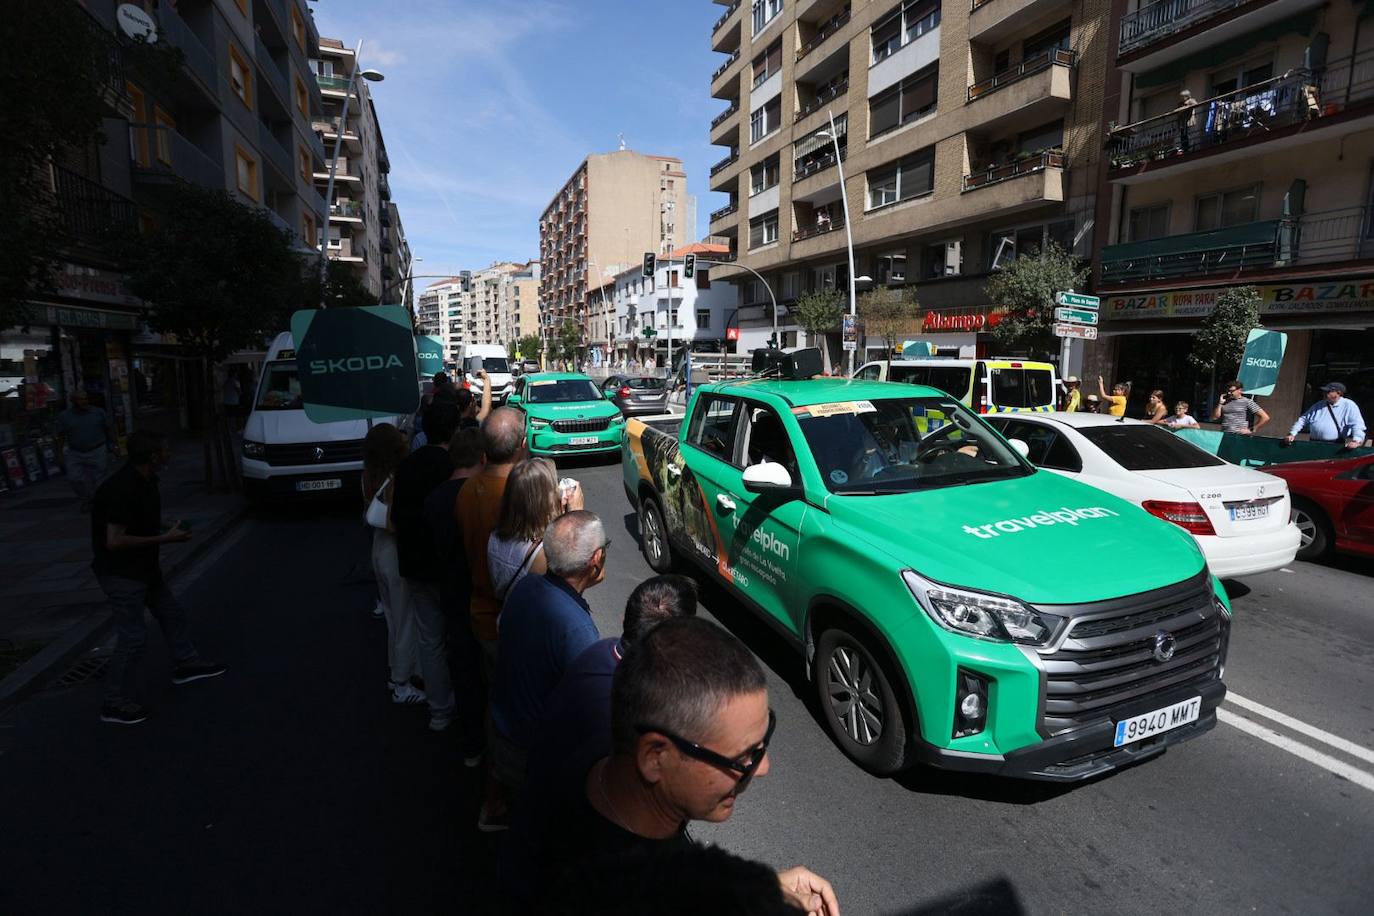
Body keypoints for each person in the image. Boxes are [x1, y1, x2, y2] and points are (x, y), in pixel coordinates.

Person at [526, 617, 838, 915]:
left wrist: (758, 888)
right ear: (655, 757)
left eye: (763, 742)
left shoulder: (594, 767)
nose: (763, 767)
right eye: (743, 756)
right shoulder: (607, 896)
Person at [92, 430, 225, 725]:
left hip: (144, 569)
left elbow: (139, 520)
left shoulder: (147, 480)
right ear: (153, 457)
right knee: (133, 638)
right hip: (122, 574)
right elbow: (114, 540)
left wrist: (167, 525)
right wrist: (166, 538)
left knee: (171, 614)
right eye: (166, 450)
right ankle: (113, 702)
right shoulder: (122, 489)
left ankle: (187, 663)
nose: (170, 454)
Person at [490, 510, 607, 798]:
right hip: (536, 753)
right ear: (596, 559)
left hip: (504, 731)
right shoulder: (577, 631)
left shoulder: (527, 586)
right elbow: (590, 712)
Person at [456, 406, 529, 829]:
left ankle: (496, 788)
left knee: (496, 703)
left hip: (481, 615)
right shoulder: (519, 496)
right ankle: (506, 792)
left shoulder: (467, 491)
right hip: (514, 623)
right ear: (521, 446)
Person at [391, 400, 460, 732]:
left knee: (429, 639)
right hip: (447, 567)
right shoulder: (453, 468)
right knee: (458, 636)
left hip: (415, 564)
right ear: (455, 429)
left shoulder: (407, 465)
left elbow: (395, 516)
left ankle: (439, 711)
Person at [423, 425, 488, 761]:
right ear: (483, 456)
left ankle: (472, 743)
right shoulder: (482, 494)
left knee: (463, 671)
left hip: (451, 595)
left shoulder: (434, 499)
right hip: (484, 594)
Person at [362, 423, 424, 706]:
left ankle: (395, 671)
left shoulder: (367, 476)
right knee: (404, 618)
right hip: (393, 549)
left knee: (391, 616)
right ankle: (402, 681)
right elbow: (393, 523)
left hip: (377, 548)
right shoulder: (395, 478)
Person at [489, 459, 584, 603]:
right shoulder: (542, 556)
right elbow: (575, 586)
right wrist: (576, 515)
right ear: (546, 501)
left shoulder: (494, 537)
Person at [56, 389, 117, 511]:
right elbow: (60, 436)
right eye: (81, 399)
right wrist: (60, 453)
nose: (84, 402)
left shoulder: (98, 412)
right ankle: (86, 498)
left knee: (99, 478)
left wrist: (114, 445)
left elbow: (108, 428)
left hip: (97, 449)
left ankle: (97, 501)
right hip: (75, 451)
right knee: (74, 478)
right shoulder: (65, 416)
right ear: (73, 401)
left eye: (85, 399)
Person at [1286, 382, 1367, 449]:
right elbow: (1303, 419)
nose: (1324, 393)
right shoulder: (1319, 404)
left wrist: (1356, 440)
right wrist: (1292, 433)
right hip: (1313, 444)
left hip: (1334, 446)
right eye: (1324, 391)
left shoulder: (1349, 405)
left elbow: (1357, 424)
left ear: (1338, 393)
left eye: (1328, 392)